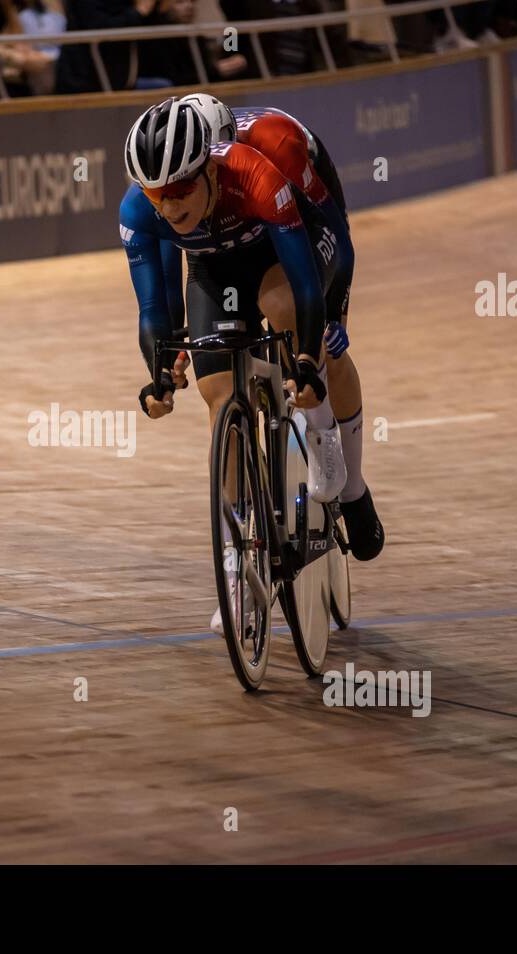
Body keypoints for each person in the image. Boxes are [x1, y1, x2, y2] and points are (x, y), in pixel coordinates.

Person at [120, 98, 349, 635]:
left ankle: (321, 435)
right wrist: (159, 373)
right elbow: (153, 308)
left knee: (280, 305)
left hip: (273, 250)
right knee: (218, 393)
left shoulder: (255, 174)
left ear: (208, 170)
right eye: (157, 194)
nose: (169, 204)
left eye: (180, 189)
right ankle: (235, 566)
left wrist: (308, 360)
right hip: (212, 267)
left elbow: (307, 283)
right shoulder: (139, 211)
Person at [176, 93, 384, 565]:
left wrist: (334, 312)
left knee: (319, 340)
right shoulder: (193, 181)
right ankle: (238, 546)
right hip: (238, 225)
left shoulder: (277, 146)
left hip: (300, 210)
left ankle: (350, 483)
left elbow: (337, 238)